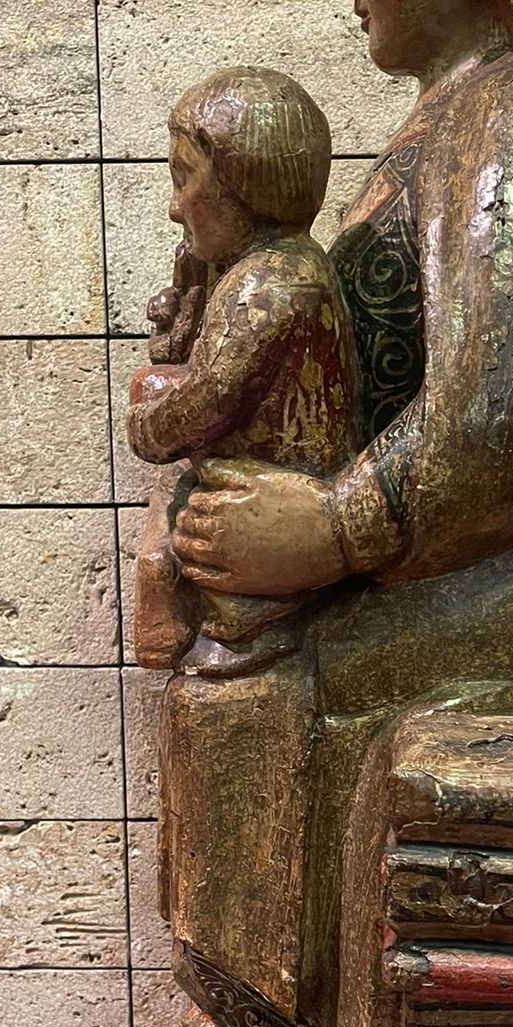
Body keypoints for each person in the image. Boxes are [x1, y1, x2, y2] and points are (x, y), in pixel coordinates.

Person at [152, 0, 513, 1027]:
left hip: (449, 615)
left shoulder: (500, 127)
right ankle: (270, 1025)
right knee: (218, 669)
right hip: (397, 584)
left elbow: (498, 436)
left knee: (242, 697)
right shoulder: (436, 126)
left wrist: (326, 530)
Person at [127, 67, 360, 679]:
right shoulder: (265, 266)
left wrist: (147, 428)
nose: (173, 207)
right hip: (252, 475)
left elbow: (209, 399)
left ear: (244, 186)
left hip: (265, 512)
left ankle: (190, 609)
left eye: (184, 180)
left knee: (180, 504)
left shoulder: (270, 283)